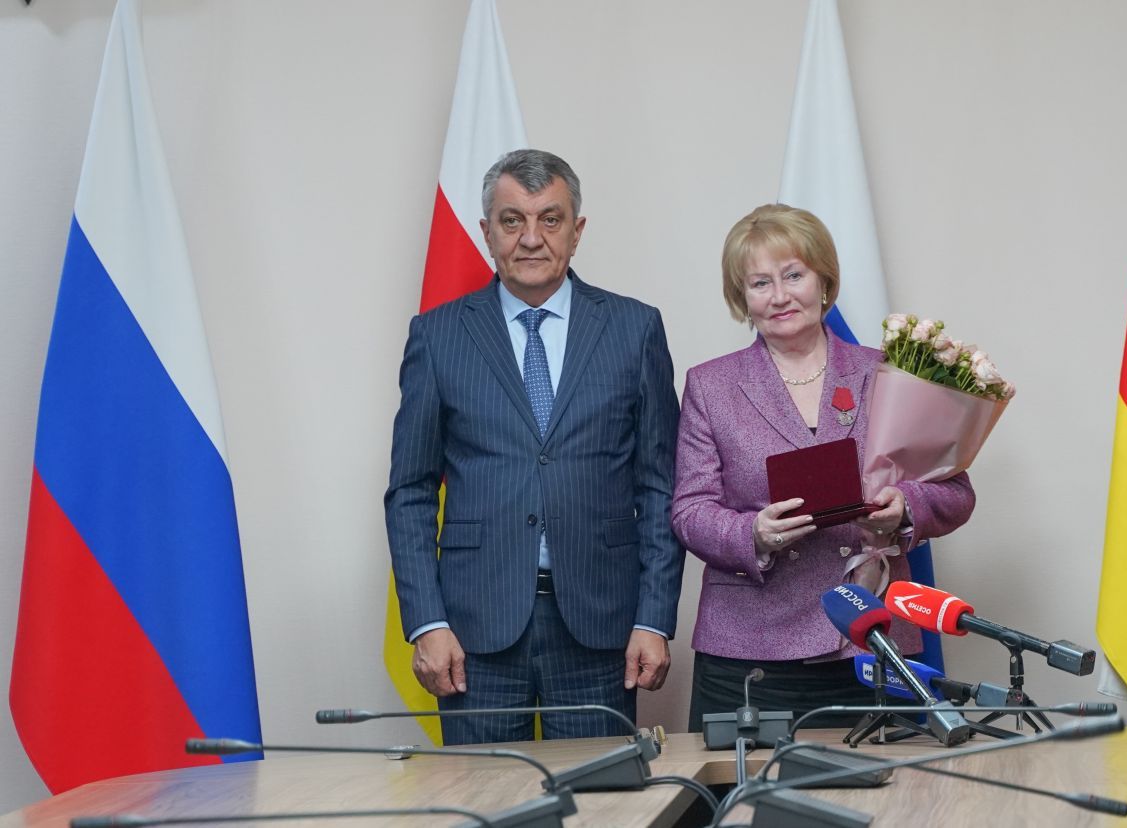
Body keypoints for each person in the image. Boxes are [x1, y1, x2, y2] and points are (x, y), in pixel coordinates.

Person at [385, 149, 683, 744]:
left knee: (600, 792)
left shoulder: (635, 329)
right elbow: (410, 492)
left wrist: (654, 617)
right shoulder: (438, 336)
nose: (530, 238)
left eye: (550, 219)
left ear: (577, 230)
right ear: (486, 231)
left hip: (602, 626)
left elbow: (660, 487)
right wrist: (427, 622)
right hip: (472, 631)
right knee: (485, 793)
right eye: (511, 220)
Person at [672, 204, 976, 731]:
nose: (780, 296)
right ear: (742, 297)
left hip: (872, 638)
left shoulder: (886, 373)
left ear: (824, 281)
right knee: (746, 788)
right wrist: (753, 533)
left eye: (794, 275)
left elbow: (956, 490)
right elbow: (689, 510)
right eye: (760, 283)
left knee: (885, 784)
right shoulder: (710, 385)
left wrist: (905, 507)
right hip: (751, 649)